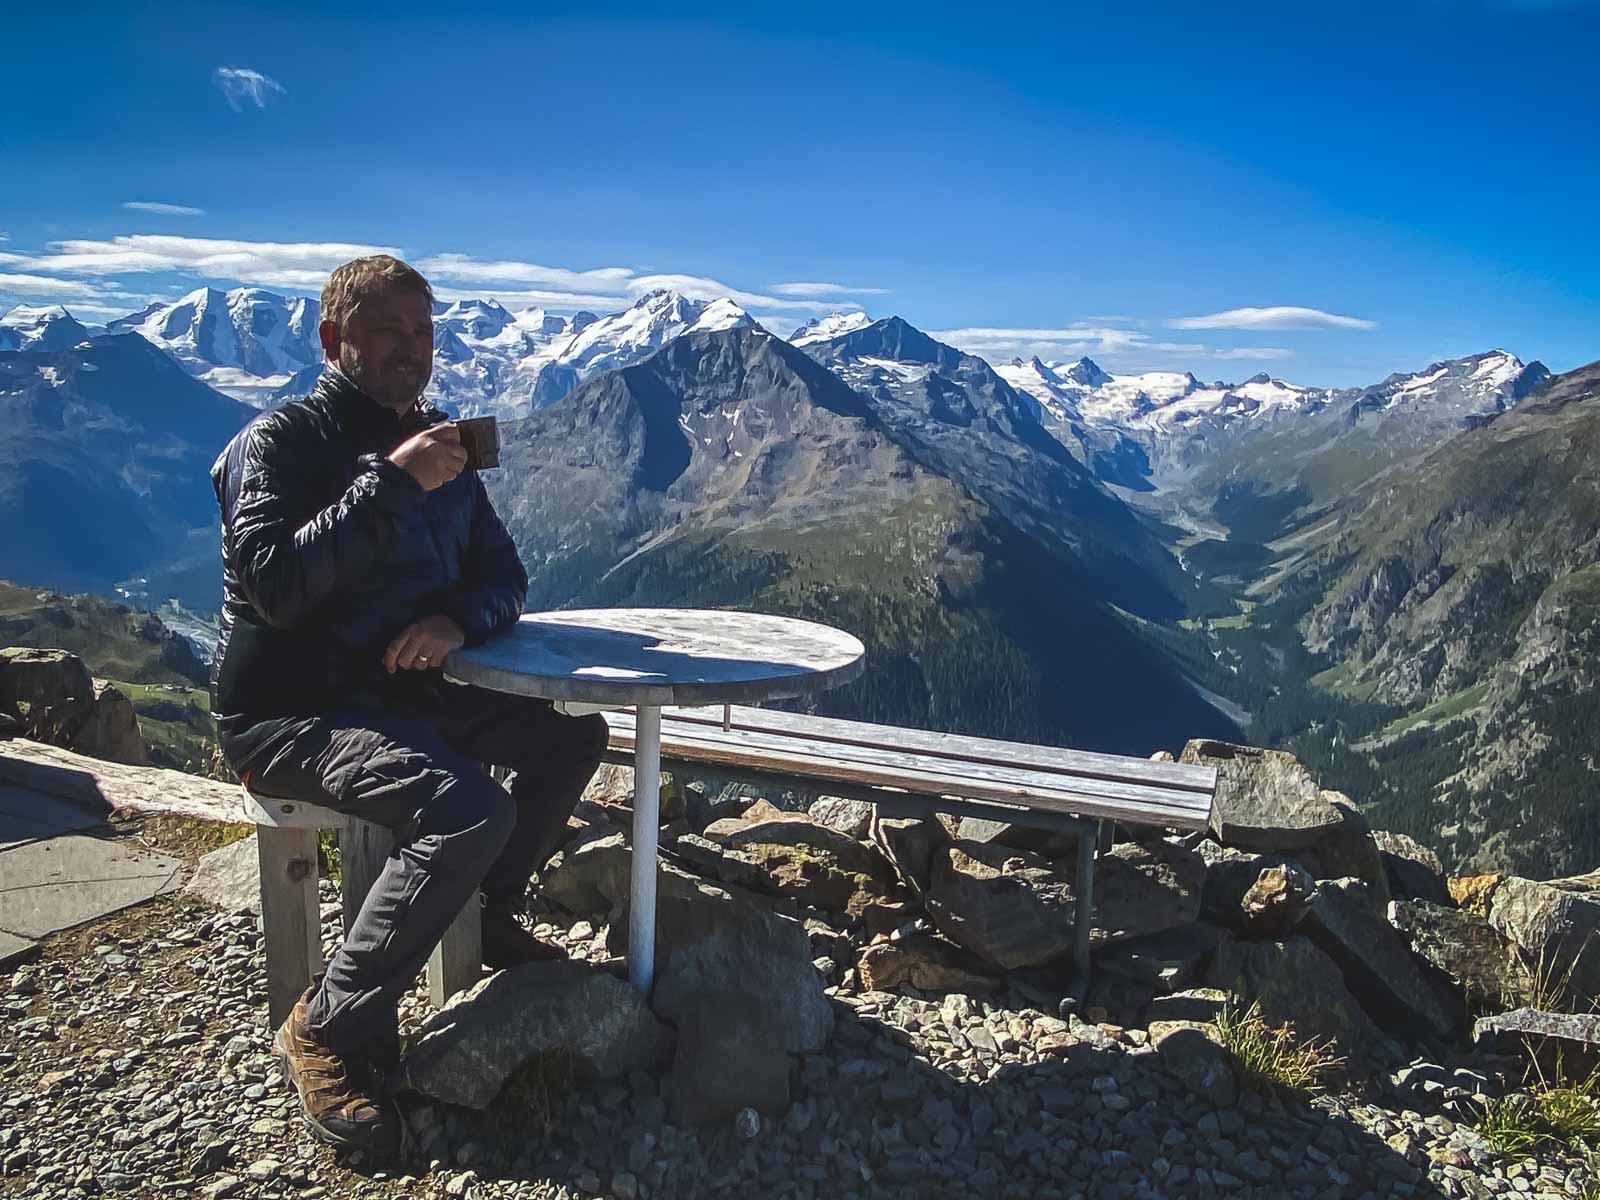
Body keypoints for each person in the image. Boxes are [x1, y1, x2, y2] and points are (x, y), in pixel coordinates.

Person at [209, 254, 608, 1153]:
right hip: (292, 712)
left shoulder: (444, 447)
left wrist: (454, 619)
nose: (411, 350)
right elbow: (274, 588)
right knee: (470, 809)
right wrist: (392, 481)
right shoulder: (279, 445)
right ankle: (328, 1028)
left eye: (422, 331)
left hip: (403, 694)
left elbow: (507, 576)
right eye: (387, 330)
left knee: (573, 737)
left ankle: (490, 912)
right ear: (332, 340)